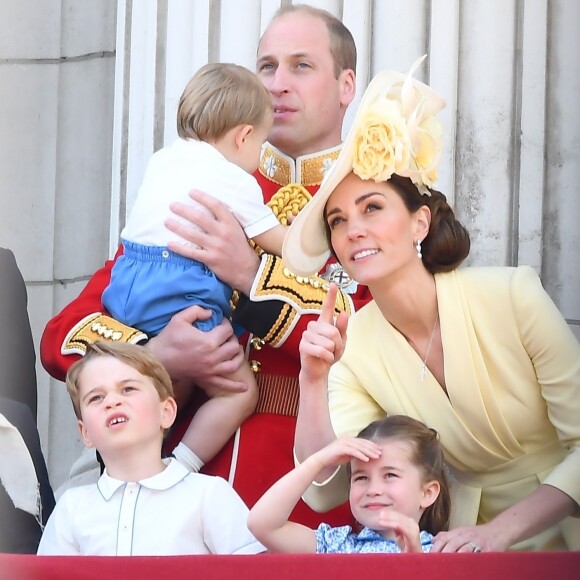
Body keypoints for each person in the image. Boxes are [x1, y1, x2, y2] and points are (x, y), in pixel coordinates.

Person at [40, 4, 371, 527]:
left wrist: (251, 274)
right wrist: (153, 354)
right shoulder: (202, 187)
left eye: (301, 66)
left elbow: (381, 334)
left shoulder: (376, 203)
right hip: (185, 485)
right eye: (266, 67)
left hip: (317, 486)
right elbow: (66, 334)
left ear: (346, 84)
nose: (276, 84)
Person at [281, 60, 580, 552]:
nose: (353, 229)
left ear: (420, 223)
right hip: (451, 548)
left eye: (372, 208)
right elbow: (326, 489)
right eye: (338, 220)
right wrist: (311, 380)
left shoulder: (513, 294)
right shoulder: (354, 344)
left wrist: (500, 532)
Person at [102, 62, 284, 473]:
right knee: (239, 391)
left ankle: (136, 462)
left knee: (170, 384)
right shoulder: (234, 179)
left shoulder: (162, 160)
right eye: (262, 144)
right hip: (179, 289)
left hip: (126, 285)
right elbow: (284, 245)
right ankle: (178, 469)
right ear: (244, 136)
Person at [37, 341, 264, 555]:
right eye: (96, 397)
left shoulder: (209, 495)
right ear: (86, 433)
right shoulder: (71, 508)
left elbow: (252, 572)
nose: (112, 401)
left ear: (166, 412)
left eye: (128, 389)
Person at [248, 415, 450, 553]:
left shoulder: (447, 552)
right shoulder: (337, 545)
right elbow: (262, 525)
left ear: (428, 493)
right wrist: (318, 461)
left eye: (389, 475)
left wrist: (417, 560)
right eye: (361, 477)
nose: (373, 490)